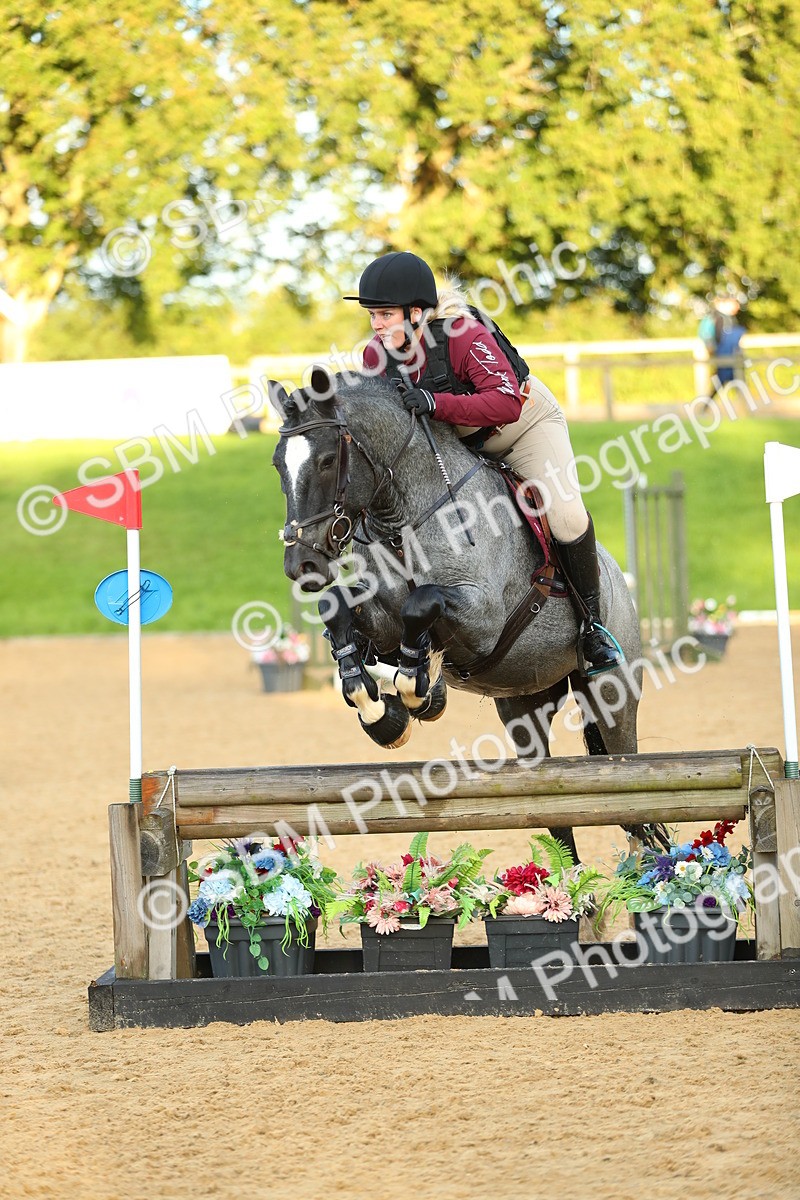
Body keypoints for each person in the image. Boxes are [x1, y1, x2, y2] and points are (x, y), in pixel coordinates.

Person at [343, 250, 622, 675]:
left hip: (523, 427)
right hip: (459, 442)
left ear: (416, 313)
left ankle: (593, 628)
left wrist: (436, 402)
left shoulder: (462, 335)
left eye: (385, 314)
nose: (376, 326)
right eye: (372, 316)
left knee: (565, 516)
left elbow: (506, 402)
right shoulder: (375, 357)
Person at [698, 296, 745, 405]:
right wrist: (713, 352)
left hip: (730, 355)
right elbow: (707, 336)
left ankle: (744, 406)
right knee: (725, 380)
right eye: (734, 303)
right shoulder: (715, 318)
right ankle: (705, 407)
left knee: (734, 380)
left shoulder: (728, 318)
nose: (737, 307)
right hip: (723, 355)